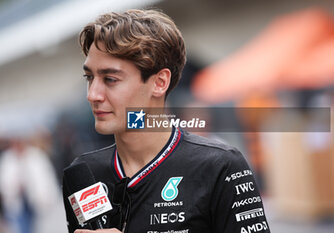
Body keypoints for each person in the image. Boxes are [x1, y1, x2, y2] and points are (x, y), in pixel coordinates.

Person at [62, 9, 271, 233]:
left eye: (110, 79)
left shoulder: (220, 166)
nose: (92, 94)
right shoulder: (85, 174)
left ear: (159, 82)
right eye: (89, 77)